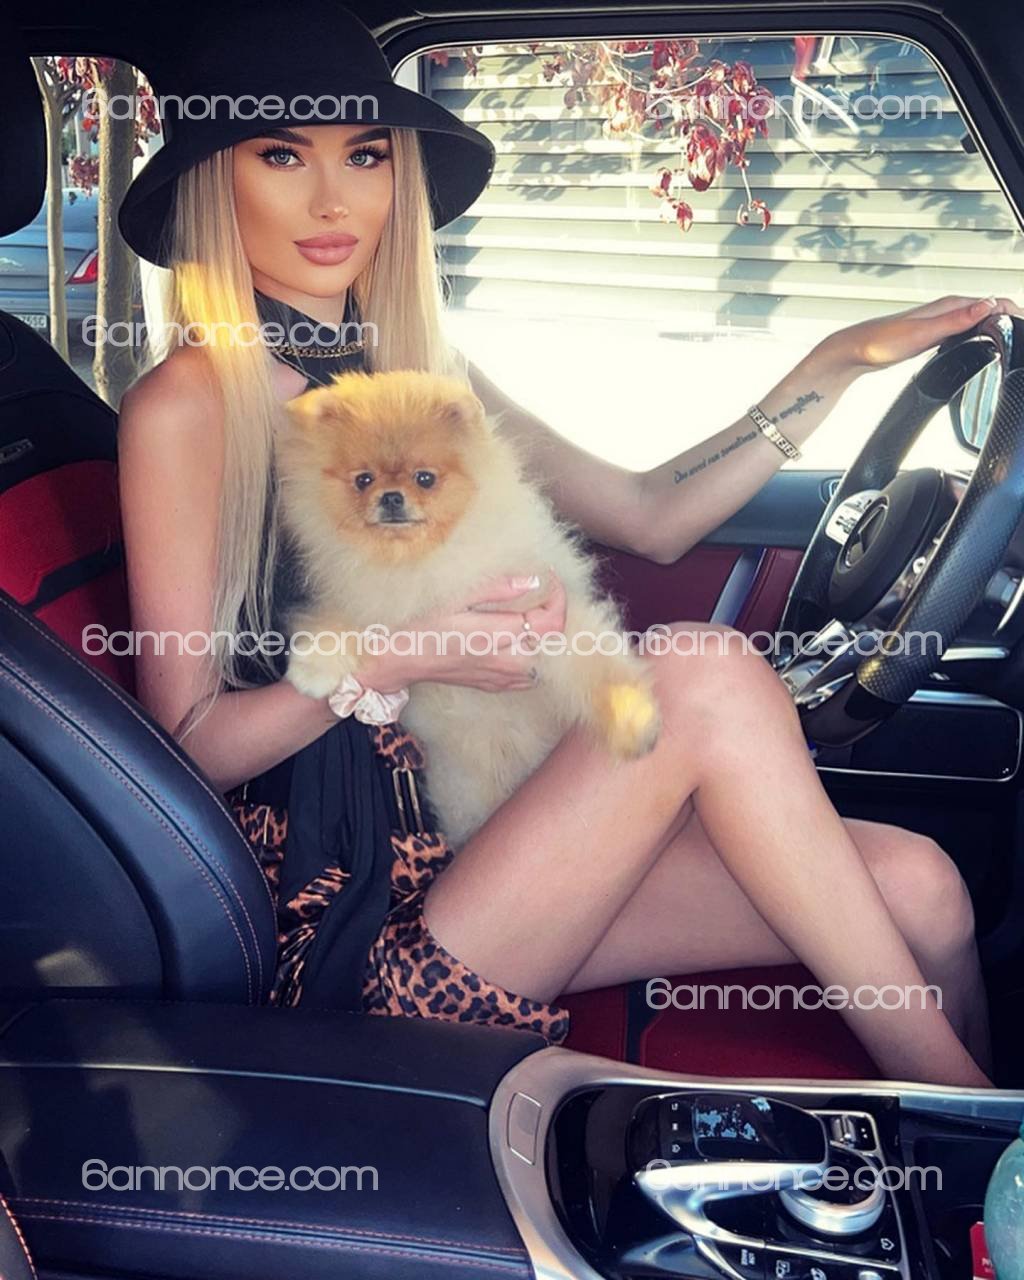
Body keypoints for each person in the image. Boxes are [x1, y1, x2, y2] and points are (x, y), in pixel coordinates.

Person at [116, 0, 1008, 1086]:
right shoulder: (186, 406)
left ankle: (962, 1162)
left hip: (494, 834)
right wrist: (400, 656)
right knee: (698, 670)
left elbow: (650, 514)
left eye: (365, 154)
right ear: (215, 181)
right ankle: (976, 1122)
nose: (333, 198)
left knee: (925, 888)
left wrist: (832, 367)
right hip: (351, 930)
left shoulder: (420, 367)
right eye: (281, 155)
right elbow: (188, 748)